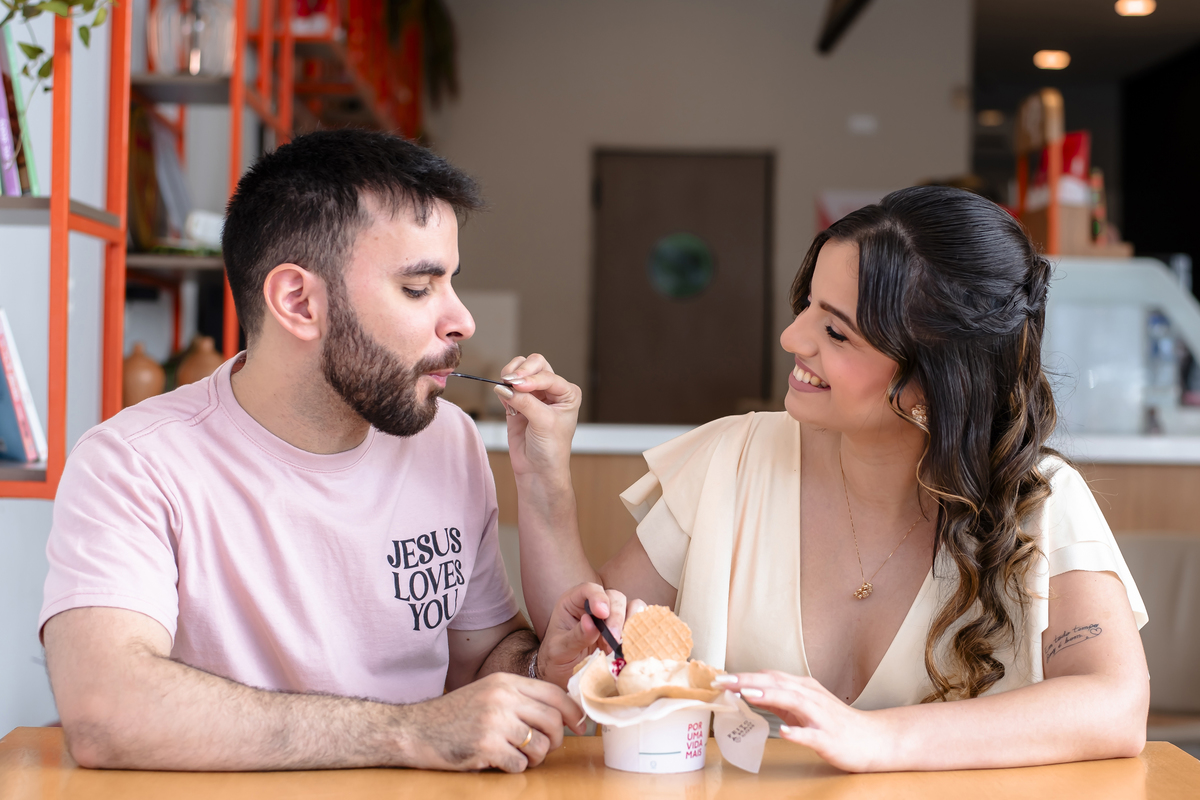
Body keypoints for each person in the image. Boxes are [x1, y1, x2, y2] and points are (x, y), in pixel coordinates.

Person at [504, 186, 1151, 772]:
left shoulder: (1038, 498)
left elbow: (1115, 704)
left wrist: (879, 739)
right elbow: (594, 655)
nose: (791, 337)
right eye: (808, 306)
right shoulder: (731, 460)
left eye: (835, 331)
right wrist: (544, 475)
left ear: (933, 383)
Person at [39, 130, 626, 774]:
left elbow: (481, 659)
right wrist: (408, 732)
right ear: (298, 302)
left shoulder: (448, 440)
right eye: (418, 287)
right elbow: (103, 710)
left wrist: (545, 664)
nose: (461, 320)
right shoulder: (133, 462)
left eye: (451, 281)